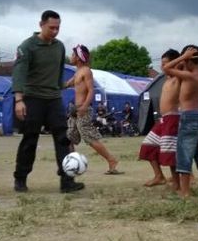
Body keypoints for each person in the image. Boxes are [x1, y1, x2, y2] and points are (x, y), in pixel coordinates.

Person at [12, 10, 84, 193]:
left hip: (53, 99)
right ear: (41, 25)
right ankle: (20, 178)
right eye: (51, 27)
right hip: (32, 98)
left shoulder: (59, 47)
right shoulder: (27, 47)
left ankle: (67, 181)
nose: (54, 31)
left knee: (63, 139)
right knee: (30, 139)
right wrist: (19, 100)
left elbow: (58, 72)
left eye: (57, 28)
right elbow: (19, 73)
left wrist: (63, 85)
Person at [162, 45, 198, 199]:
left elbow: (167, 69)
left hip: (188, 116)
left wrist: (183, 57)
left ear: (189, 60)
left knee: (184, 156)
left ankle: (185, 193)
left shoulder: (189, 76)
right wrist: (186, 58)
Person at [66, 44, 122, 174]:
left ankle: (111, 160)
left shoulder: (86, 71)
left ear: (79, 58)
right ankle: (72, 163)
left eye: (73, 54)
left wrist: (85, 106)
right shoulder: (77, 72)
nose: (71, 56)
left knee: (89, 138)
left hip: (83, 109)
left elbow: (91, 90)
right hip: (75, 110)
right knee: (68, 137)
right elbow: (66, 84)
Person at [139, 49, 182, 189]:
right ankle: (159, 176)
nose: (162, 67)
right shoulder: (167, 79)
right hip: (163, 120)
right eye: (161, 64)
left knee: (169, 152)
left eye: (165, 63)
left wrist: (183, 58)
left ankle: (177, 183)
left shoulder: (178, 77)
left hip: (173, 118)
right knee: (148, 146)